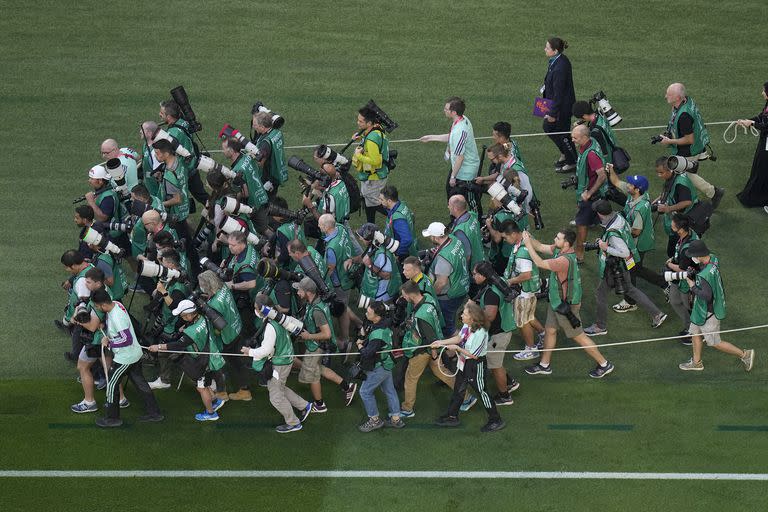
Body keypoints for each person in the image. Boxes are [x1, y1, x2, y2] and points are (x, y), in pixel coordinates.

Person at [521, 229, 615, 378]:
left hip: (565, 307)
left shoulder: (563, 261)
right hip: (557, 302)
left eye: (558, 238)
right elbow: (541, 247)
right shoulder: (562, 251)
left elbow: (538, 262)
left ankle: (604, 364)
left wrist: (527, 244)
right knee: (550, 330)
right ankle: (544, 365)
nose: (554, 239)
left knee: (579, 336)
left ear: (566, 243)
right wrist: (528, 237)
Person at [582, 200, 668, 336]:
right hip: (625, 264)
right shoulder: (618, 217)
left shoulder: (613, 232)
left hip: (615, 267)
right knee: (630, 289)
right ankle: (657, 314)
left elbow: (624, 252)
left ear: (600, 214)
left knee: (601, 294)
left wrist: (605, 247)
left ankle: (600, 326)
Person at [678, 241, 755, 372]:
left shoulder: (704, 275)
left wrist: (692, 285)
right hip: (701, 310)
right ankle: (696, 363)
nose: (692, 258)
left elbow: (707, 296)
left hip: (708, 312)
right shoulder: (713, 258)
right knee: (695, 332)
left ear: (699, 255)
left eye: (693, 255)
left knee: (714, 342)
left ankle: (745, 355)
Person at [431, 301, 505, 433]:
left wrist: (457, 349)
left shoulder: (481, 333)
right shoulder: (467, 325)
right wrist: (441, 342)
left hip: (475, 365)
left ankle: (496, 419)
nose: (461, 316)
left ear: (473, 318)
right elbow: (459, 338)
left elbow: (474, 355)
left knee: (483, 392)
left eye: (464, 314)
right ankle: (452, 416)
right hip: (464, 362)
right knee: (458, 388)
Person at [93, 289, 163, 427]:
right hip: (135, 354)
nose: (97, 308)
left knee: (112, 384)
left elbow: (127, 339)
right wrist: (107, 329)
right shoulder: (117, 304)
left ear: (103, 305)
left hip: (125, 358)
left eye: (97, 306)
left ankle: (112, 418)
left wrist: (110, 342)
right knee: (140, 382)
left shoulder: (116, 316)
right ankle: (154, 413)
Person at [242, 295, 313, 433]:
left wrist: (249, 352)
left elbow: (266, 350)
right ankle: (304, 406)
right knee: (279, 387)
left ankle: (293, 423)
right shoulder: (278, 318)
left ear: (262, 310)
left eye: (256, 308)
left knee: (275, 396)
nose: (255, 310)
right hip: (285, 359)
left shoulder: (270, 326)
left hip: (280, 363)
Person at [150, 299, 227, 422]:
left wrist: (158, 347)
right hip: (213, 356)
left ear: (190, 314)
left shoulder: (191, 332)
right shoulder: (204, 317)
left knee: (201, 388)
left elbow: (177, 345)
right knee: (205, 384)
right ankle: (215, 401)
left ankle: (211, 413)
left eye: (183, 315)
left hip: (204, 362)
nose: (182, 317)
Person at [605, 166, 667, 314]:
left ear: (637, 189)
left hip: (638, 245)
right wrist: (611, 169)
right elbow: (615, 181)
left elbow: (636, 231)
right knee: (635, 269)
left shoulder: (640, 209)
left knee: (630, 270)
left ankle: (630, 301)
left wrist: (620, 234)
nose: (628, 185)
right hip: (639, 242)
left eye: (631, 184)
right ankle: (664, 284)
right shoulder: (637, 195)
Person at [294, 277, 357, 412]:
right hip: (318, 344)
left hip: (317, 346)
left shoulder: (317, 311)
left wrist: (308, 336)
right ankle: (347, 387)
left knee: (313, 375)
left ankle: (319, 404)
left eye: (299, 290)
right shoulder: (315, 302)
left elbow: (327, 334)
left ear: (308, 292)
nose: (297, 292)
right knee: (319, 368)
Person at [658, 83, 724, 208]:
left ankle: (714, 192)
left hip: (689, 150)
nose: (665, 96)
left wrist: (669, 141)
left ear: (678, 97)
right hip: (695, 145)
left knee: (684, 174)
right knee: (685, 173)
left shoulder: (684, 115)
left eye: (669, 94)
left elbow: (689, 139)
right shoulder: (685, 101)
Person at [398, 280, 455, 418]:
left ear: (410, 295)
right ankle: (466, 397)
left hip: (424, 351)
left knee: (410, 378)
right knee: (443, 373)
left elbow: (430, 340)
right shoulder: (429, 298)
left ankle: (407, 409)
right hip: (433, 346)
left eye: (404, 295)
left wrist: (434, 355)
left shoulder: (420, 316)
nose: (403, 298)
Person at [471, 262, 518, 406]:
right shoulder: (499, 282)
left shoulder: (491, 293)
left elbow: (490, 315)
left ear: (483, 276)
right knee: (495, 361)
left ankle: (504, 396)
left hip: (499, 333)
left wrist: (473, 315)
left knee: (494, 365)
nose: (473, 276)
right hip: (504, 328)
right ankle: (510, 382)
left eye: (474, 274)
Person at [419, 97, 481, 204]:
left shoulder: (460, 131)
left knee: (465, 200)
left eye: (446, 109)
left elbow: (460, 157)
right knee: (450, 192)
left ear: (454, 112)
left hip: (465, 172)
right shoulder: (461, 119)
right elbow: (452, 137)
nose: (444, 110)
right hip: (459, 168)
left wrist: (453, 177)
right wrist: (430, 138)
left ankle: (472, 218)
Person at [499, 221, 546, 361]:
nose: (505, 240)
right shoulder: (525, 240)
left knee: (522, 321)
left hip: (523, 293)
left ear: (513, 234)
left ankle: (531, 349)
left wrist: (510, 281)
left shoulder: (521, 253)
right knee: (529, 316)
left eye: (505, 237)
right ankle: (544, 335)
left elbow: (526, 275)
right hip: (529, 291)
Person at [356, 302, 405, 432]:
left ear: (377, 316)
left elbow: (367, 354)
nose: (366, 314)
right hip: (387, 363)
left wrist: (359, 344)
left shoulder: (378, 335)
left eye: (369, 313)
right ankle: (396, 418)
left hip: (379, 366)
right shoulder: (385, 322)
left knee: (365, 392)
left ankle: (374, 420)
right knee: (389, 390)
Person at [421, 221, 470, 337]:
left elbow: (441, 282)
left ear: (435, 237)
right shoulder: (454, 239)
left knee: (448, 327)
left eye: (430, 236)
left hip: (449, 296)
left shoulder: (444, 258)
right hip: (461, 285)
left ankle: (460, 346)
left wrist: (431, 296)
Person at [159, 99, 209, 209]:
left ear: (169, 117)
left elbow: (168, 155)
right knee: (201, 195)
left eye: (162, 113)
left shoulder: (173, 133)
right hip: (192, 166)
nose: (159, 115)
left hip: (185, 170)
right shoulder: (183, 122)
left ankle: (217, 213)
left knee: (184, 199)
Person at [571, 123, 608, 261]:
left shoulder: (591, 155)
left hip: (591, 196)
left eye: (575, 138)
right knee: (601, 221)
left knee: (581, 223)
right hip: (593, 194)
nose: (572, 140)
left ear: (585, 137)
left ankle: (579, 254)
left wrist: (589, 193)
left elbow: (602, 175)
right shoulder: (590, 144)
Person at [542, 37, 577, 173]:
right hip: (558, 105)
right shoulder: (558, 60)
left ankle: (572, 161)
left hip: (562, 108)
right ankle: (565, 154)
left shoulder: (560, 67)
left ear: (555, 50)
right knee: (551, 128)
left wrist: (552, 113)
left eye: (547, 48)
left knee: (560, 133)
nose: (545, 49)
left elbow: (559, 94)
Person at [663, 214, 700, 345]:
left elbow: (682, 269)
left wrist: (669, 264)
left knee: (689, 306)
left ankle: (695, 333)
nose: (671, 225)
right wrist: (673, 259)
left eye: (673, 224)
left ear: (680, 229)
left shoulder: (688, 247)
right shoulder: (688, 234)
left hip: (687, 281)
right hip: (678, 279)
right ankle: (689, 326)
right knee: (674, 301)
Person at [652, 156, 699, 257]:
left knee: (674, 250)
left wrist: (668, 208)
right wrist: (656, 201)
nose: (659, 175)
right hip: (677, 217)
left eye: (661, 172)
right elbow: (668, 191)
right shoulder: (672, 177)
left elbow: (687, 202)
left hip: (683, 220)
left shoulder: (680, 183)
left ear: (670, 170)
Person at [222, 136, 270, 234]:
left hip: (253, 204)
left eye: (224, 149)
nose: (223, 151)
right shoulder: (247, 156)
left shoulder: (236, 171)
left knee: (263, 230)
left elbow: (244, 193)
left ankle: (276, 246)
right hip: (261, 196)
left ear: (231, 150)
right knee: (264, 227)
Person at [352, 105, 391, 223]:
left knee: (376, 203)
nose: (358, 123)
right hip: (374, 175)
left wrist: (359, 156)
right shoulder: (376, 128)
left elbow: (376, 161)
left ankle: (398, 216)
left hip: (373, 177)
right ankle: (370, 225)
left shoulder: (371, 139)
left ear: (369, 123)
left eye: (361, 121)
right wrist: (359, 138)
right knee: (369, 201)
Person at [736, 82, 768, 208]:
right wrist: (747, 120)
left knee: (763, 168)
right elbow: (761, 117)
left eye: (764, 91)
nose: (762, 93)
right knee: (759, 167)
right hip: (764, 141)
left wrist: (752, 124)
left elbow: (766, 126)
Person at [252, 111, 289, 198]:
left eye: (255, 125)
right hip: (277, 172)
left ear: (262, 127)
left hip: (268, 178)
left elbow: (260, 163)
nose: (253, 127)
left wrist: (251, 155)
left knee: (266, 203)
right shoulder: (276, 132)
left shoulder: (265, 143)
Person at [379, 185, 418, 260]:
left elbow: (407, 239)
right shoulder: (402, 204)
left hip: (405, 253)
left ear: (389, 201)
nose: (379, 201)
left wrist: (398, 253)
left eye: (381, 199)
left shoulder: (398, 219)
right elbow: (412, 217)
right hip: (411, 246)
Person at [447, 194, 484, 271]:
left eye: (449, 205)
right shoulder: (472, 215)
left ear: (455, 208)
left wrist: (464, 271)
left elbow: (467, 255)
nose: (448, 207)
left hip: (474, 268)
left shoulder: (459, 231)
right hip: (481, 256)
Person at [139, 121, 162, 201]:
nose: (140, 131)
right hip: (148, 184)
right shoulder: (145, 145)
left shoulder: (155, 151)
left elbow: (158, 172)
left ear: (149, 132)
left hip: (155, 187)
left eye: (142, 130)